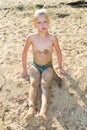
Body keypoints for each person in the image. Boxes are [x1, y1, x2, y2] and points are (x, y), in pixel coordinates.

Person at [22, 8, 66, 121]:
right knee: (33, 83)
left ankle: (42, 111)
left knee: (44, 84)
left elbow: (58, 52)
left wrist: (60, 67)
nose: (43, 25)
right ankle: (31, 108)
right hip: (35, 66)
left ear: (49, 22)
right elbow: (24, 52)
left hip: (48, 67)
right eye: (39, 22)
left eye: (45, 21)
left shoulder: (53, 38)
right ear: (35, 24)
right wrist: (24, 69)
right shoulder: (31, 37)